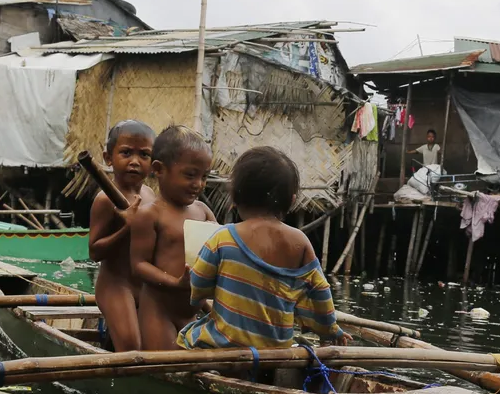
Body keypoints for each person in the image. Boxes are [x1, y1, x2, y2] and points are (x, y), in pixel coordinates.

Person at [178, 146, 350, 350]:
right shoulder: (301, 242)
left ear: (234, 197)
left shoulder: (223, 237)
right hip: (278, 351)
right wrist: (330, 330)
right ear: (292, 200)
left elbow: (198, 286)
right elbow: (319, 294)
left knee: (186, 335)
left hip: (225, 346)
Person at [130, 125, 218, 350]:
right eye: (190, 175)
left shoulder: (204, 212)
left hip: (194, 309)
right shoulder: (150, 213)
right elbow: (139, 265)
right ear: (159, 170)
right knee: (167, 365)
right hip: (160, 312)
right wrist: (175, 283)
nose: (198, 184)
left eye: (204, 176)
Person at [89, 120, 155, 352]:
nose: (135, 161)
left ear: (153, 163)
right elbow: (94, 251)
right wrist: (126, 227)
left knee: (156, 345)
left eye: (144, 155)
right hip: (115, 285)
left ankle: (108, 344)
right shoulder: (105, 199)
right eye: (126, 153)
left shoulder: (150, 195)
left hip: (144, 285)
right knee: (131, 346)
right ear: (108, 158)